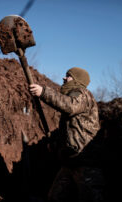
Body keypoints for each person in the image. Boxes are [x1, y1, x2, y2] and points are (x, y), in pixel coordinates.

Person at [29, 67, 104, 202]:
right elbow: (71, 130)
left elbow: (69, 106)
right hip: (70, 161)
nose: (64, 78)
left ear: (77, 80)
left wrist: (43, 92)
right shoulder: (73, 95)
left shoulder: (82, 94)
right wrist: (57, 144)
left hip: (86, 163)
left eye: (68, 76)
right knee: (55, 197)